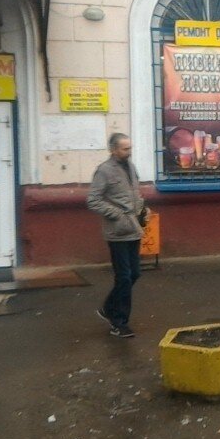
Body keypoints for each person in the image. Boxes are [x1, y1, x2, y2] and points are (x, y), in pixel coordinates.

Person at [86, 132, 149, 338]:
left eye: (130, 148)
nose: (129, 152)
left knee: (134, 273)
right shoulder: (104, 171)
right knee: (124, 277)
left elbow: (135, 193)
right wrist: (117, 215)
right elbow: (93, 200)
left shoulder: (130, 167)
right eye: (125, 148)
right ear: (113, 150)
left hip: (134, 229)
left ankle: (108, 308)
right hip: (117, 232)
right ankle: (119, 323)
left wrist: (142, 209)